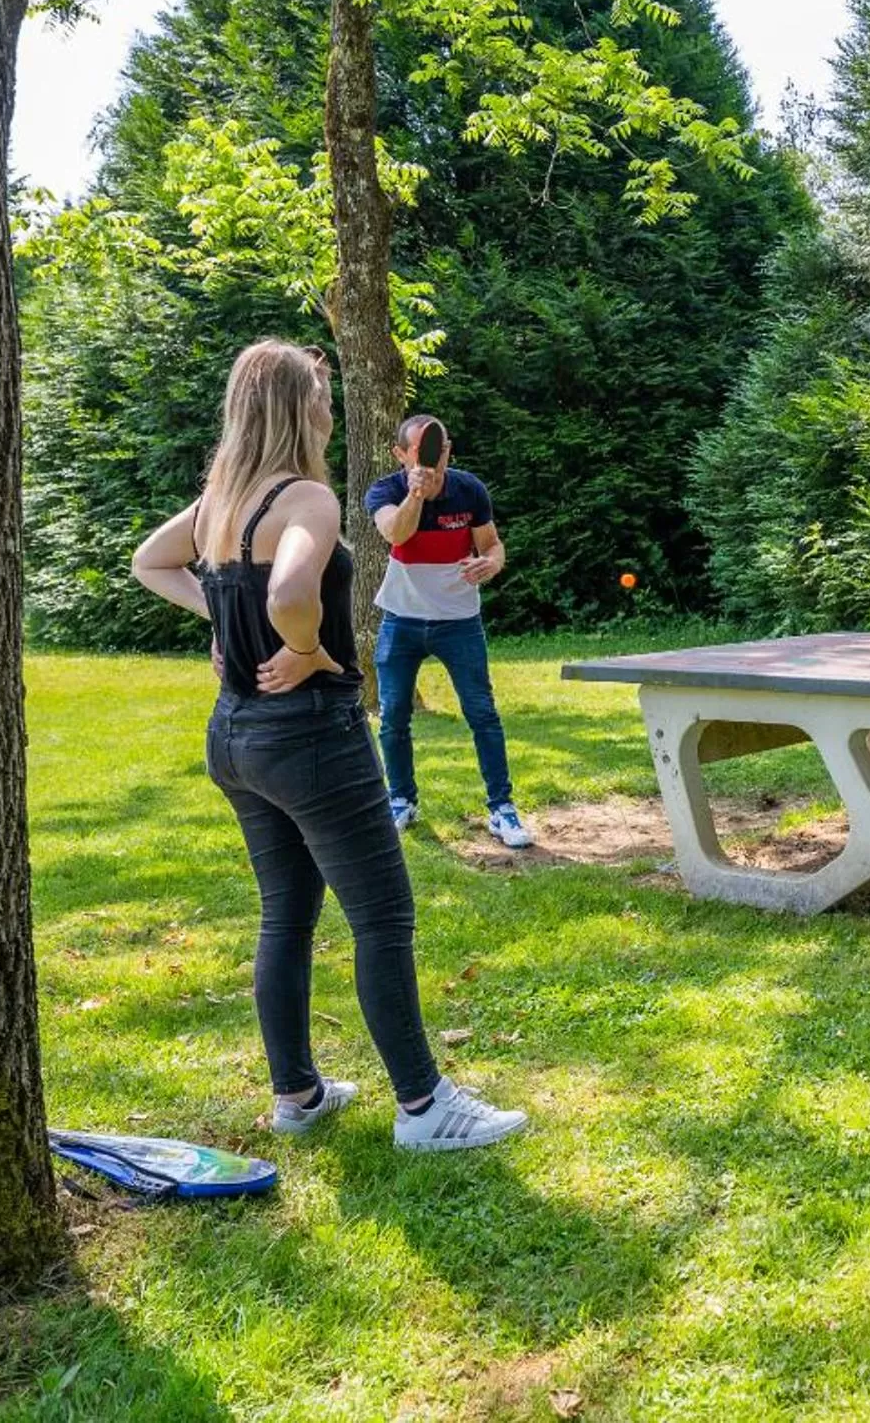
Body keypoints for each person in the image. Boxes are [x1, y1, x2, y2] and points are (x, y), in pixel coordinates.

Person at [131, 340, 526, 1149]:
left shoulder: (220, 501)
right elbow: (287, 589)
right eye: (320, 394)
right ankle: (424, 1106)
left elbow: (151, 563)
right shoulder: (304, 498)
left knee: (286, 913)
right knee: (382, 916)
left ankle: (298, 1095)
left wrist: (224, 618)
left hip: (235, 736)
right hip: (311, 735)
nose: (329, 406)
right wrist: (305, 647)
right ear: (294, 408)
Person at [364, 415, 533, 848]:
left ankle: (501, 808)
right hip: (401, 619)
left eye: (438, 450)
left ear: (448, 450)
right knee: (393, 715)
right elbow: (396, 533)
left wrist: (491, 563)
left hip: (459, 621)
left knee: (482, 713)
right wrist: (416, 495)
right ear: (400, 455)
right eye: (420, 451)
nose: (432, 459)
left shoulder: (469, 489)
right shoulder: (385, 491)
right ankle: (401, 799)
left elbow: (492, 545)